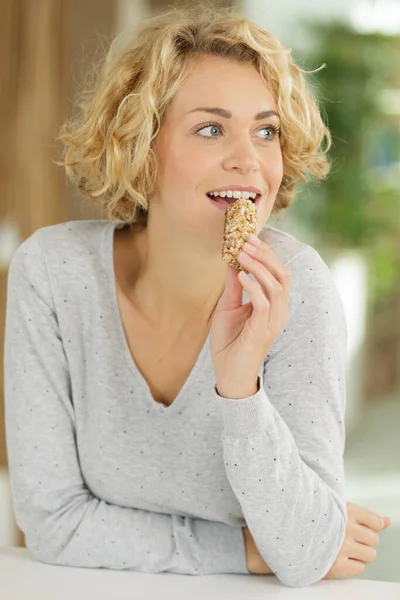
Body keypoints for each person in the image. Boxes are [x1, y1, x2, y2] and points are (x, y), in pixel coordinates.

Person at [4, 2, 391, 588]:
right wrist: (243, 549)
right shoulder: (55, 275)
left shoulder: (299, 289)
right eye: (211, 128)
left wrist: (240, 388)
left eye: (266, 131)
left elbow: (311, 551)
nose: (249, 160)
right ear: (139, 145)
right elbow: (52, 522)